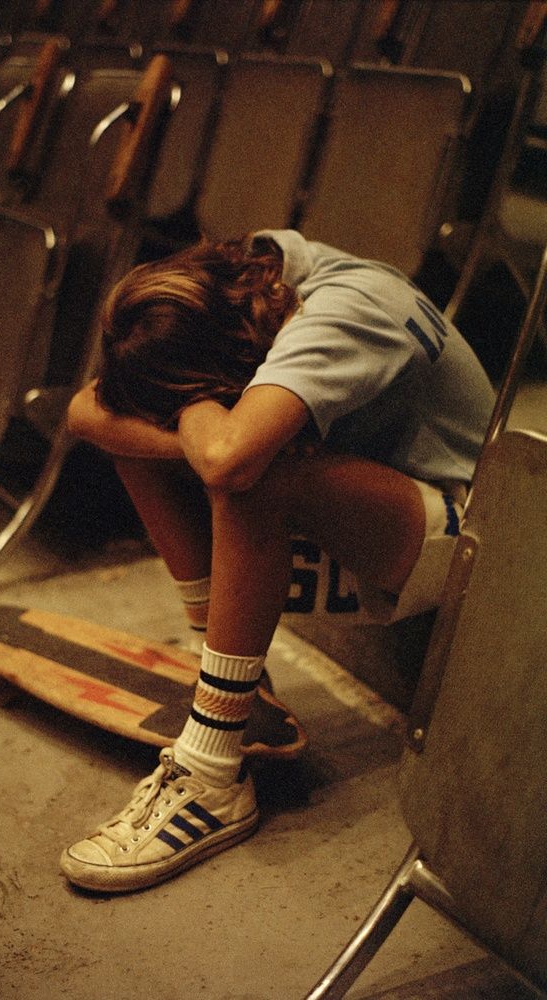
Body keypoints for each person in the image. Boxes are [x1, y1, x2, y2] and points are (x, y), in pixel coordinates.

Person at [60, 229, 495, 893]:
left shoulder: (346, 309)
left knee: (255, 468)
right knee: (164, 444)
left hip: (476, 538)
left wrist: (200, 420)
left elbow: (231, 458)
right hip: (377, 521)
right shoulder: (252, 281)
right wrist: (189, 418)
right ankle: (242, 684)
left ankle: (211, 779)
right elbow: (85, 410)